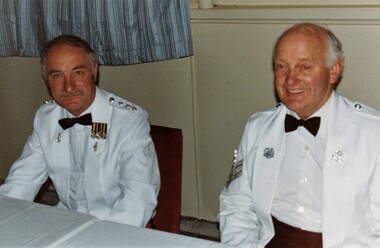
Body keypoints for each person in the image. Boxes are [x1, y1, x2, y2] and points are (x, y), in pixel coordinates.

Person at [218, 23, 380, 247]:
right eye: (282, 66)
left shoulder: (372, 134)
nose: (291, 80)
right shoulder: (258, 127)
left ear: (334, 70)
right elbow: (236, 206)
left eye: (304, 67)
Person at [0, 35, 160, 227]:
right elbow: (22, 182)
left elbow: (138, 198)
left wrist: (101, 240)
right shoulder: (46, 118)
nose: (69, 86)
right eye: (57, 75)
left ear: (94, 70)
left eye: (77, 73)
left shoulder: (128, 120)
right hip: (66, 223)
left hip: (118, 225)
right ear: (46, 79)